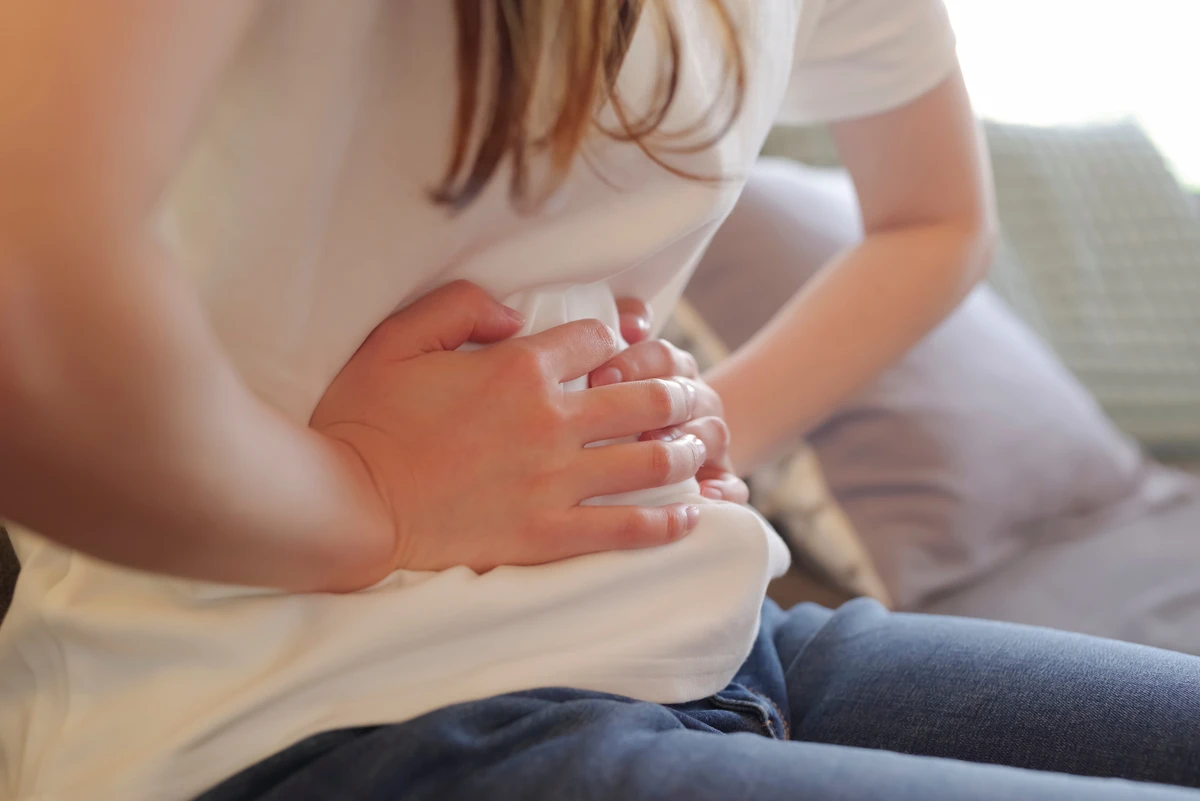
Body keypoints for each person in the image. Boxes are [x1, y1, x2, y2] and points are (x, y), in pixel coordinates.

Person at [1, 2, 1198, 800]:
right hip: (301, 713)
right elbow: (28, 301)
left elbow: (938, 220)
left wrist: (693, 425)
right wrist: (370, 501)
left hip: (712, 640)